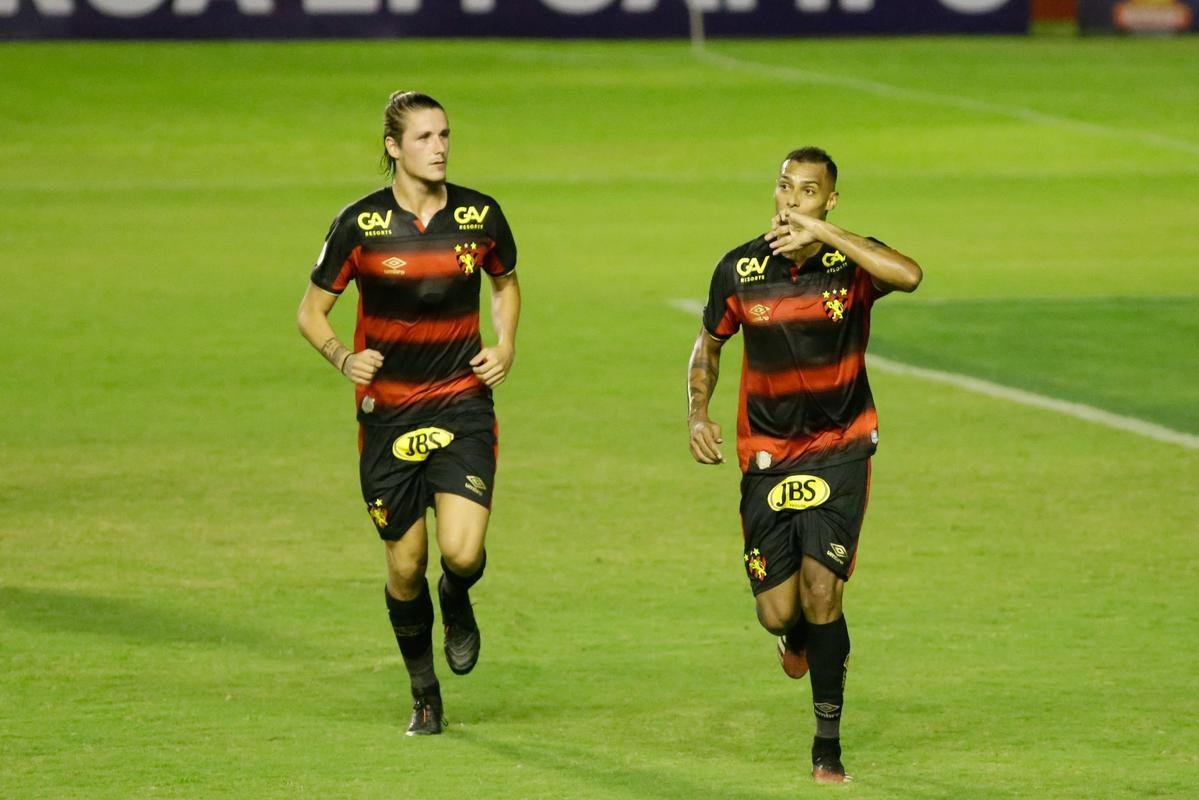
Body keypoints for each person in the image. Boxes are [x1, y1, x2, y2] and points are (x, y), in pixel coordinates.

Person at [686, 147, 921, 782]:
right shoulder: (740, 268)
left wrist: (825, 235)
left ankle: (827, 744)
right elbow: (708, 343)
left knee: (824, 591)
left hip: (841, 445)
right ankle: (794, 641)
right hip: (766, 456)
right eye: (786, 187)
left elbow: (909, 275)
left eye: (809, 192)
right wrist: (697, 413)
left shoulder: (851, 261)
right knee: (778, 612)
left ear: (830, 201)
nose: (793, 200)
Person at [297, 91, 520, 736]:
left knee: (462, 553)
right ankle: (424, 693)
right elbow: (310, 312)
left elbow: (504, 283)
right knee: (404, 565)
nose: (440, 147)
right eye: (424, 137)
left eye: (445, 134)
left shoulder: (481, 215)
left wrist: (504, 344)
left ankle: (458, 598)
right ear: (394, 148)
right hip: (388, 414)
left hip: (462, 402)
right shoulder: (359, 225)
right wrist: (344, 358)